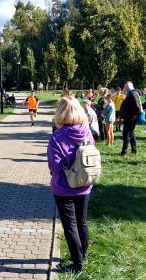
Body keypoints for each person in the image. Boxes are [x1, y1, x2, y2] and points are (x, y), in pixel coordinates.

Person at [47, 96, 95, 275]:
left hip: (64, 187)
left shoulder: (57, 137)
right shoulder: (86, 130)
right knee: (82, 221)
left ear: (60, 113)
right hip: (85, 183)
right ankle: (83, 255)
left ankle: (77, 265)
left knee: (70, 225)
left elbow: (54, 166)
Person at [120, 81, 142, 155]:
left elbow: (136, 105)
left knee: (126, 134)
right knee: (131, 133)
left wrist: (136, 115)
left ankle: (124, 151)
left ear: (129, 87)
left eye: (125, 87)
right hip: (130, 117)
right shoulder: (131, 93)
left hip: (131, 117)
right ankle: (134, 150)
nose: (124, 88)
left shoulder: (132, 93)